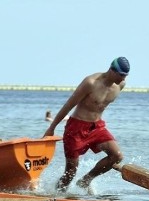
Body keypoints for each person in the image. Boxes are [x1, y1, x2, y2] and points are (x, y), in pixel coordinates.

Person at [43, 56, 129, 192]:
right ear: (112, 70)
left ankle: (86, 180)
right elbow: (69, 105)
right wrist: (52, 128)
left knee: (117, 156)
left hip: (97, 127)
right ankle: (57, 196)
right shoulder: (91, 83)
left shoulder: (120, 85)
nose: (123, 79)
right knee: (70, 172)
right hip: (76, 128)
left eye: (126, 76)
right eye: (121, 75)